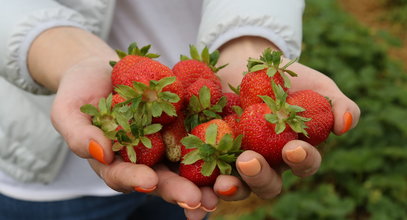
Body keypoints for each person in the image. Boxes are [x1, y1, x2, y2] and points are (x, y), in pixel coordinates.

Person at [0, 0, 360, 219]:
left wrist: (250, 38)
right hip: (40, 177)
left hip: (192, 160)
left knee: (186, 205)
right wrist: (65, 53)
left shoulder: (214, 117)